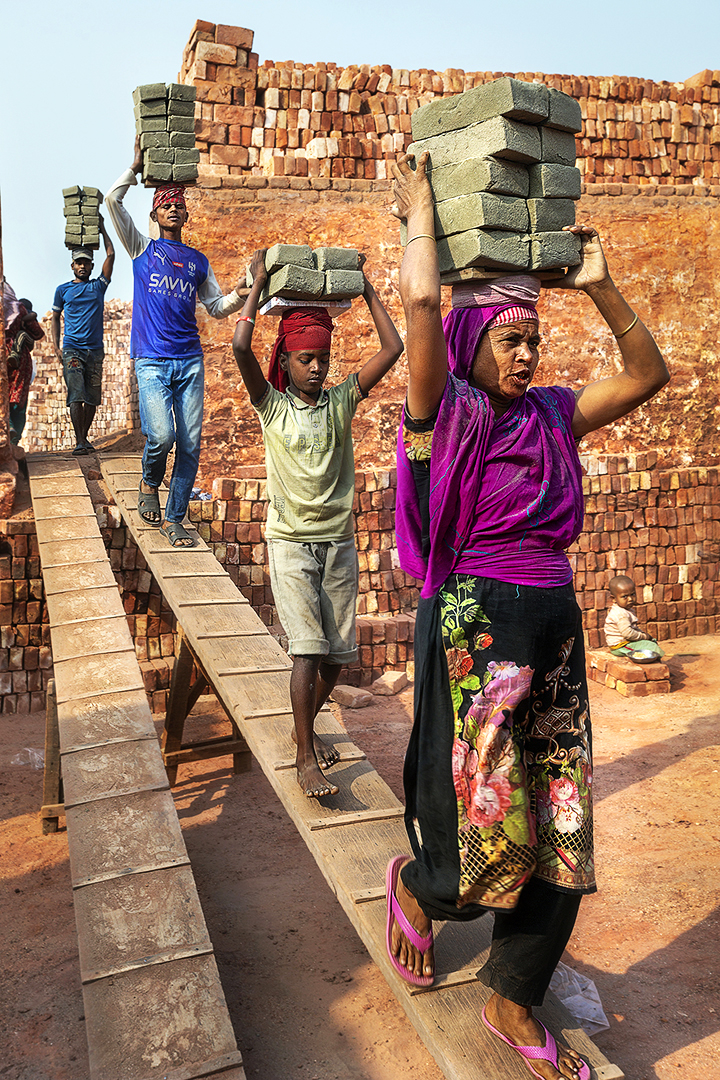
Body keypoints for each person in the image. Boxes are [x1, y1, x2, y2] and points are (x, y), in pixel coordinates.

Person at [387, 152, 669, 1080]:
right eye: (509, 337)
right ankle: (422, 894)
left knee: (562, 818)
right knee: (485, 819)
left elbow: (648, 373)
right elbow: (421, 305)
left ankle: (513, 994)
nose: (525, 353)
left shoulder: (552, 414)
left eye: (532, 338)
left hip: (552, 628)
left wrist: (599, 285)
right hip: (478, 629)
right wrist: (420, 212)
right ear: (471, 341)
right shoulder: (447, 410)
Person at [232, 249, 403, 798]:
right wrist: (258, 284)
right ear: (286, 361)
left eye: (323, 358)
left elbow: (393, 348)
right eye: (305, 358)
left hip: (338, 544)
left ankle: (302, 726)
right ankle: (306, 756)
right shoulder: (272, 407)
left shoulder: (341, 401)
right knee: (307, 648)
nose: (317, 367)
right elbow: (240, 348)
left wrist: (368, 289)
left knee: (337, 657)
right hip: (291, 544)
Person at [105, 137, 245, 546]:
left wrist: (240, 292)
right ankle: (149, 481)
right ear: (154, 213)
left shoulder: (198, 262)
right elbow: (112, 203)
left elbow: (216, 307)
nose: (172, 208)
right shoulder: (141, 249)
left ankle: (175, 518)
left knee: (190, 442)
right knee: (162, 436)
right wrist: (134, 167)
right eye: (165, 204)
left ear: (185, 215)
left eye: (178, 205)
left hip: (189, 361)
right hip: (150, 358)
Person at [51, 218, 115, 454]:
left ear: (91, 266)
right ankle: (79, 441)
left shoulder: (98, 286)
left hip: (95, 351)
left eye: (86, 263)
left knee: (92, 398)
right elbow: (55, 317)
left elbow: (111, 255)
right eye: (79, 262)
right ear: (72, 265)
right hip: (72, 349)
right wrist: (56, 346)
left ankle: (84, 438)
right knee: (76, 395)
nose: (82, 266)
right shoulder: (63, 290)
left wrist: (102, 228)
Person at [6, 296, 44, 445]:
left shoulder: (10, 311)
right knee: (18, 400)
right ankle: (13, 436)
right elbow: (38, 333)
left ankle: (9, 430)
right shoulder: (19, 312)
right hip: (19, 362)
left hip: (11, 359)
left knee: (6, 396)